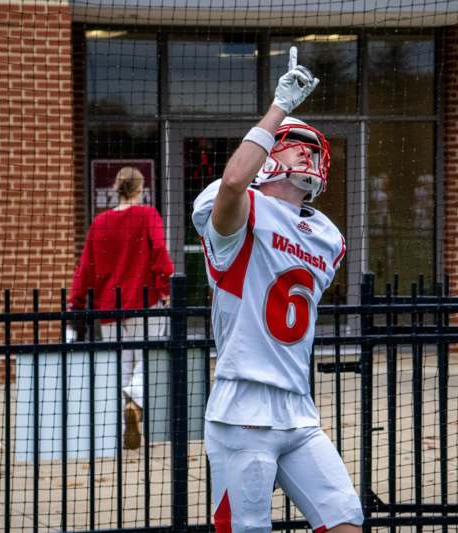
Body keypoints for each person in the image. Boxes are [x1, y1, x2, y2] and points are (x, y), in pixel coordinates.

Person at [191, 47, 363, 533]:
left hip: (297, 406)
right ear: (266, 157)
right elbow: (232, 183)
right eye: (294, 144)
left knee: (346, 522)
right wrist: (279, 107)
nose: (307, 152)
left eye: (313, 146)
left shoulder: (327, 235)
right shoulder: (240, 207)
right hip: (243, 406)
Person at [68, 166, 174, 450]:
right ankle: (135, 405)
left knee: (119, 367)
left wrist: (76, 302)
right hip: (144, 301)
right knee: (148, 359)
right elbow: (159, 252)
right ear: (140, 189)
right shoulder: (148, 215)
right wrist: (166, 288)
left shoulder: (99, 223)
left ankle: (118, 428)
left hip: (109, 307)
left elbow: (85, 268)